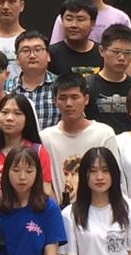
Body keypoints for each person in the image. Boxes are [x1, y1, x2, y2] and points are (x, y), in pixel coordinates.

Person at [40, 74, 121, 207]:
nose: (68, 104)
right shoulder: (46, 138)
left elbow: (114, 177)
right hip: (60, 210)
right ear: (55, 101)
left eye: (74, 97)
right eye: (62, 98)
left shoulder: (104, 134)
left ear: (86, 99)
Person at [0, 92, 54, 198]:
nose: (9, 118)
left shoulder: (39, 152)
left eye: (17, 113)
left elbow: (46, 191)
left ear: (27, 118)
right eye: (4, 112)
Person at [85, 25, 131, 134]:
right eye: (116, 52)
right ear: (101, 51)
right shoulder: (87, 86)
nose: (121, 58)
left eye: (127, 53)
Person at [6, 31, 60, 130]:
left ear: (48, 56)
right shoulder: (6, 88)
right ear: (17, 59)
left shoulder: (61, 86)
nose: (32, 55)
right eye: (26, 50)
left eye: (38, 50)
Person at [48, 0, 103, 79]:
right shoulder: (50, 54)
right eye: (69, 19)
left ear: (93, 23)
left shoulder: (103, 53)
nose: (74, 25)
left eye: (80, 20)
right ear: (62, 21)